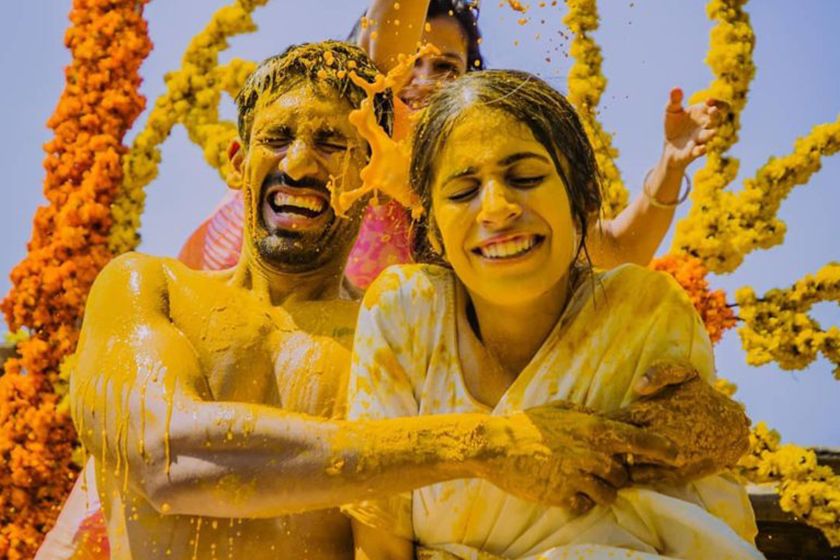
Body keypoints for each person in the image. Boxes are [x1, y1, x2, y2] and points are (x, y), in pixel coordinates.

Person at [36, 42, 704, 560]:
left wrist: (693, 420)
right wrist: (481, 441)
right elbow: (164, 457)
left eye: (332, 144)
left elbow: (570, 296)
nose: (300, 163)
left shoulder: (406, 338)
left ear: (373, 174)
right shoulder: (148, 287)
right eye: (277, 139)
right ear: (238, 162)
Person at [344, 70, 761, 559]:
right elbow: (379, 545)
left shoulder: (642, 310)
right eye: (462, 192)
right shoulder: (404, 313)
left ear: (583, 200)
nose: (496, 209)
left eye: (525, 177)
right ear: (432, 229)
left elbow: (700, 522)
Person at [181, 0, 722, 290]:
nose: (423, 76)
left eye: (446, 66)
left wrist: (670, 167)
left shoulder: (471, 178)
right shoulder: (364, 117)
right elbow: (383, 53)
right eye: (413, 58)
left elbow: (615, 254)